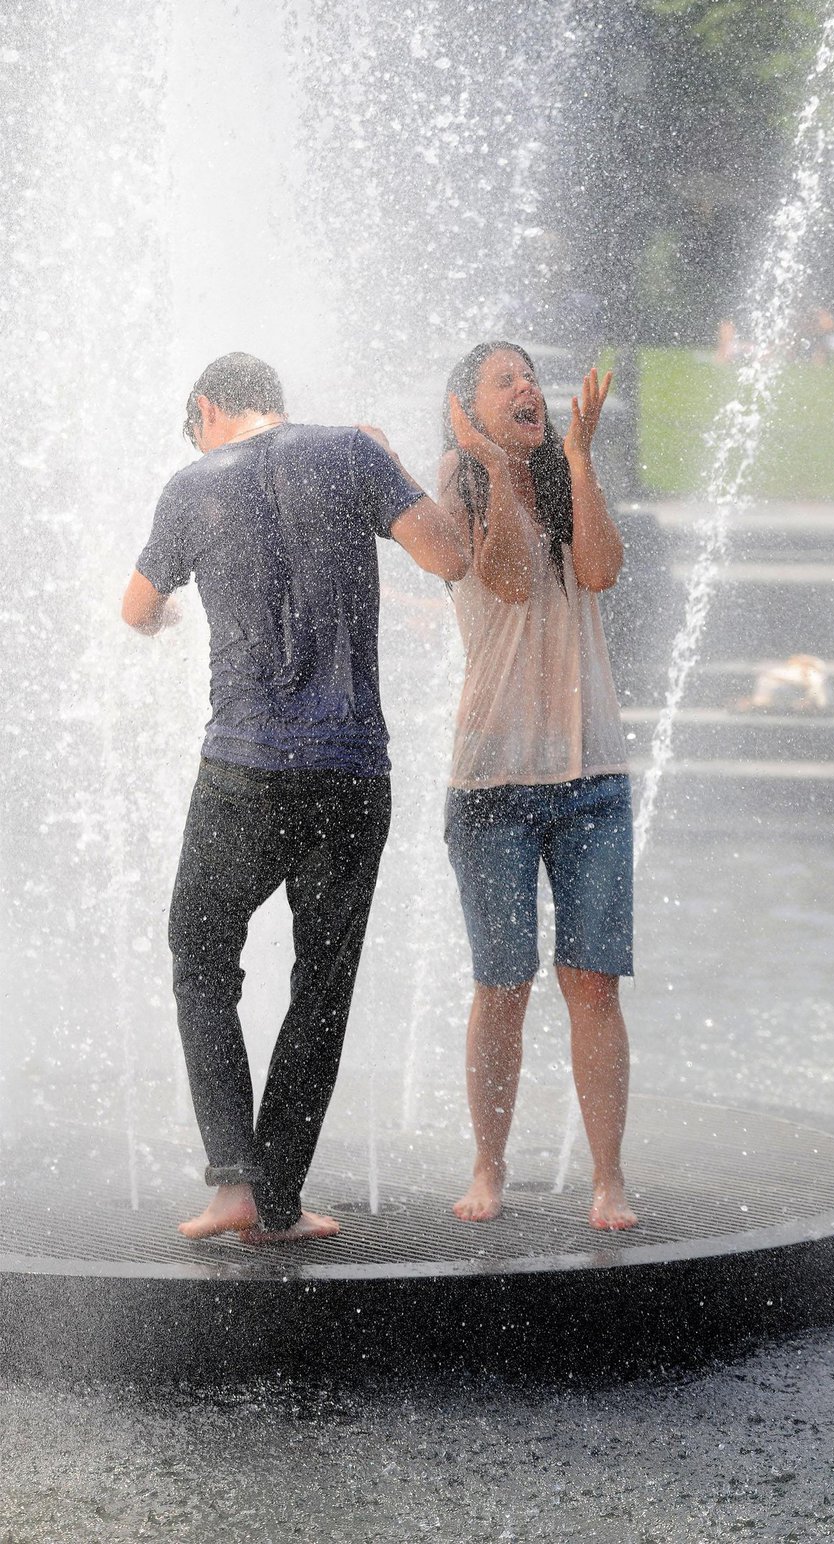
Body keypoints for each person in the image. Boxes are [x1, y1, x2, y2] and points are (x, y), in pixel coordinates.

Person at [121, 352, 468, 1244]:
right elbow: (450, 557)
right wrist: (391, 470)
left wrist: (165, 616)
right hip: (352, 769)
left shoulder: (191, 483)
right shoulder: (353, 452)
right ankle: (277, 1200)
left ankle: (232, 1180)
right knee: (323, 981)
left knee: (199, 956)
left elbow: (135, 608)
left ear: (207, 410)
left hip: (242, 769)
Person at [439, 341, 638, 1231]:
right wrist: (493, 466)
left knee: (593, 983)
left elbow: (597, 569)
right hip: (492, 787)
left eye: (528, 377)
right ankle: (489, 1166)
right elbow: (510, 578)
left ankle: (607, 1180)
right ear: (467, 411)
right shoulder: (460, 488)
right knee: (503, 983)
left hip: (592, 775)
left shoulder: (569, 475)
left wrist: (580, 460)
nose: (526, 387)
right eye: (501, 381)